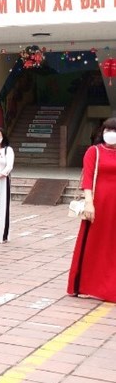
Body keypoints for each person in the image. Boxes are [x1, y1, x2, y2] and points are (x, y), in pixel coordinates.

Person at [68, 118, 116, 301]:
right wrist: (89, 203)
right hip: (98, 204)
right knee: (94, 243)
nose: (110, 134)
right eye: (107, 130)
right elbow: (87, 179)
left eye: (114, 130)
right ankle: (87, 285)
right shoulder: (94, 151)